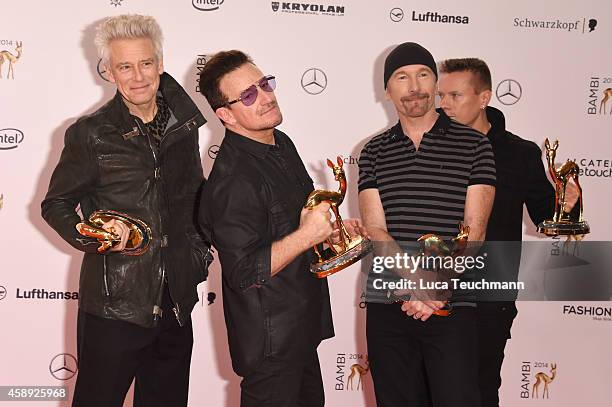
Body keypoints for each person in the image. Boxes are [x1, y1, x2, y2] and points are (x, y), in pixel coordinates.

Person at [41, 14, 210, 407]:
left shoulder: (185, 126)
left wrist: (199, 256)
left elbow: (193, 199)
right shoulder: (91, 132)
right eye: (125, 67)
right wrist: (94, 235)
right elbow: (56, 204)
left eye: (145, 63)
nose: (138, 76)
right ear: (111, 72)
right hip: (114, 304)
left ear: (161, 63)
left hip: (175, 304)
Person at [198, 50, 366, 407]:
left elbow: (296, 225)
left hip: (300, 330)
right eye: (248, 95)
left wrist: (330, 233)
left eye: (264, 83)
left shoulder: (281, 143)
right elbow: (243, 272)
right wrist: (307, 236)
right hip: (271, 345)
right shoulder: (231, 181)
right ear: (226, 115)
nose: (265, 96)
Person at [358, 42, 496, 407]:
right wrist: (418, 283)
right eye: (401, 78)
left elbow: (475, 229)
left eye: (422, 75)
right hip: (388, 303)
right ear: (387, 91)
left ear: (435, 84)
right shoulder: (372, 152)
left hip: (452, 303)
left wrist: (438, 287)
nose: (413, 86)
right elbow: (376, 230)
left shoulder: (475, 146)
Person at [438, 57, 578, 407]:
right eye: (442, 95)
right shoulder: (429, 146)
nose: (445, 104)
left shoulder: (520, 153)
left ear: (484, 97)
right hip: (434, 287)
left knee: (481, 389)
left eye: (455, 95)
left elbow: (548, 218)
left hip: (490, 294)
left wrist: (568, 204)